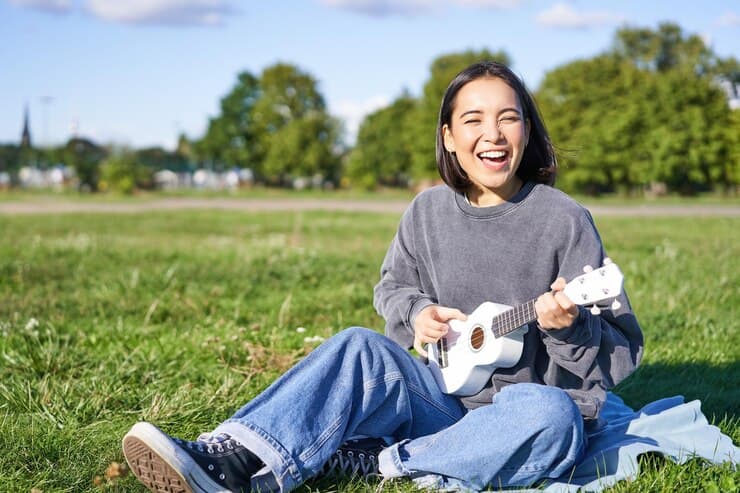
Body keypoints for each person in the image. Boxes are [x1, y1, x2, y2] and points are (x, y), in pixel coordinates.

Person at [122, 61, 643, 493]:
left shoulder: (563, 219)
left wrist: (565, 327)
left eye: (509, 118)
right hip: (437, 400)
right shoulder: (426, 212)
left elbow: (619, 356)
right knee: (357, 346)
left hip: (516, 419)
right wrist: (418, 314)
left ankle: (382, 462)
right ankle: (234, 456)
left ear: (526, 131)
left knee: (553, 417)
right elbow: (391, 287)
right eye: (474, 120)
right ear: (449, 136)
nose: (493, 134)